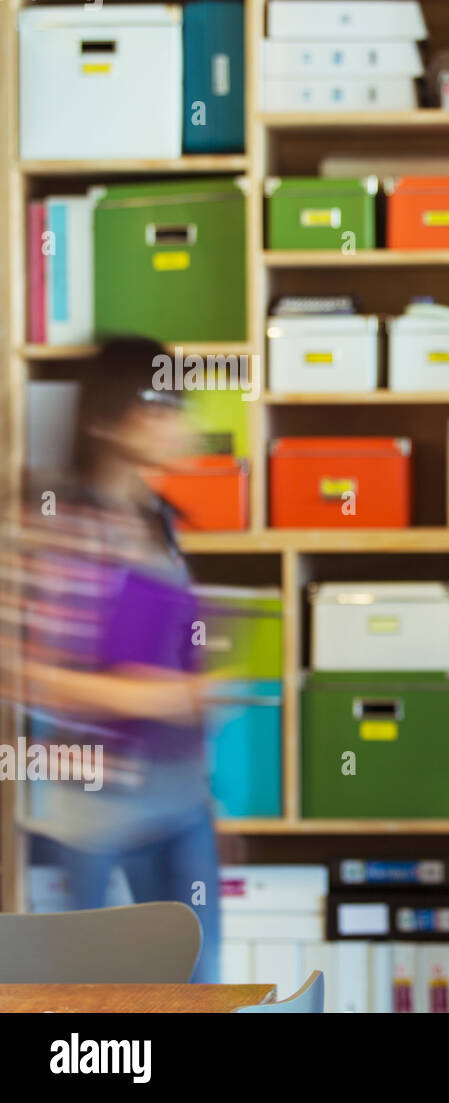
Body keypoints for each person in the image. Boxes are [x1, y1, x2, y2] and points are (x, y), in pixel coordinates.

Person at [4, 337, 222, 981]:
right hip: (93, 815)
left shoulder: (157, 518)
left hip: (181, 800)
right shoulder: (51, 520)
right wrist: (141, 696)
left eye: (177, 401)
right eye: (156, 402)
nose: (174, 418)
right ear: (104, 415)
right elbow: (20, 671)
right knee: (84, 1000)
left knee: (197, 982)